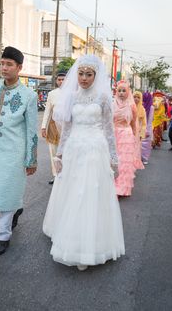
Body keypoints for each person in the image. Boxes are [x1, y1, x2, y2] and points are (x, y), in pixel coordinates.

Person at [43, 55, 125, 271]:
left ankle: (91, 244)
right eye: (81, 73)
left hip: (95, 151)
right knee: (72, 193)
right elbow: (67, 130)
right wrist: (59, 155)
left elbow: (109, 131)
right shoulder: (71, 97)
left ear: (96, 76)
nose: (84, 78)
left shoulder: (104, 99)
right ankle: (69, 237)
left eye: (89, 74)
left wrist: (114, 159)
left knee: (90, 195)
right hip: (74, 150)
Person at [0, 46, 38, 257]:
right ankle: (16, 207)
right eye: (2, 63)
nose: (4, 67)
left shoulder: (29, 95)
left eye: (9, 64)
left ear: (19, 68)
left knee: (5, 191)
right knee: (0, 191)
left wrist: (31, 159)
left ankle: (3, 237)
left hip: (14, 154)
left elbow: (31, 130)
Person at [41, 71, 66, 184]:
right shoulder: (52, 94)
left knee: (66, 152)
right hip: (53, 126)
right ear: (56, 81)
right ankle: (56, 175)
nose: (61, 81)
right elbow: (47, 112)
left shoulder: (73, 93)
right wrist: (43, 127)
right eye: (59, 79)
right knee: (53, 151)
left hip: (67, 127)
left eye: (63, 79)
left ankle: (66, 174)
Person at [113, 80, 137, 197]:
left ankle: (121, 188)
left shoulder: (132, 106)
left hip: (126, 136)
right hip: (114, 134)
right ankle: (111, 185)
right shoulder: (112, 104)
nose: (121, 93)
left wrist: (135, 138)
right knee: (113, 160)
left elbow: (133, 124)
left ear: (128, 92)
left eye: (124, 91)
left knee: (123, 162)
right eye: (119, 90)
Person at [133, 91, 146, 170]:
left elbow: (144, 124)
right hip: (128, 131)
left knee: (135, 149)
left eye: (138, 97)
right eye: (135, 97)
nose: (136, 99)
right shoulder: (128, 107)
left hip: (137, 133)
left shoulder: (142, 109)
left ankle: (133, 166)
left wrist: (141, 134)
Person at [141, 92, 154, 164]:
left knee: (140, 143)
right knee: (147, 145)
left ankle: (140, 157)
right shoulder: (152, 107)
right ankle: (145, 159)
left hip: (142, 127)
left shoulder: (141, 106)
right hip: (149, 128)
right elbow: (152, 119)